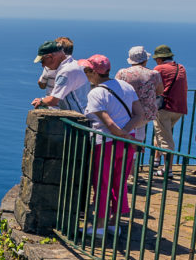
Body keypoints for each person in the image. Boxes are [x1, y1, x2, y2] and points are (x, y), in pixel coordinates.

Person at [78, 54, 143, 238]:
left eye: (87, 71)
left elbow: (109, 125)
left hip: (105, 144)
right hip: (127, 143)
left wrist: (120, 133)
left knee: (102, 184)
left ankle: (99, 227)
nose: (86, 75)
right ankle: (114, 223)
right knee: (119, 182)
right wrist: (128, 135)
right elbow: (139, 115)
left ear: (92, 72)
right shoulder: (126, 86)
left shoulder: (96, 93)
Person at [152, 45, 189, 178]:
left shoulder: (159, 68)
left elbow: (152, 86)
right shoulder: (181, 67)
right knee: (163, 133)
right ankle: (156, 161)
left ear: (160, 59)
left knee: (166, 140)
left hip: (165, 108)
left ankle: (168, 170)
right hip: (179, 108)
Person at [114, 46, 163, 132]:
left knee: (126, 137)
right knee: (139, 137)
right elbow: (160, 91)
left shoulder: (122, 73)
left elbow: (115, 90)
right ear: (145, 60)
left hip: (127, 111)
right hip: (146, 113)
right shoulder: (154, 74)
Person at [31, 40, 88, 113]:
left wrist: (41, 101)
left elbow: (53, 100)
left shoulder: (65, 71)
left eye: (42, 61)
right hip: (84, 112)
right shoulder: (76, 64)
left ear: (50, 57)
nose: (43, 65)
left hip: (78, 117)